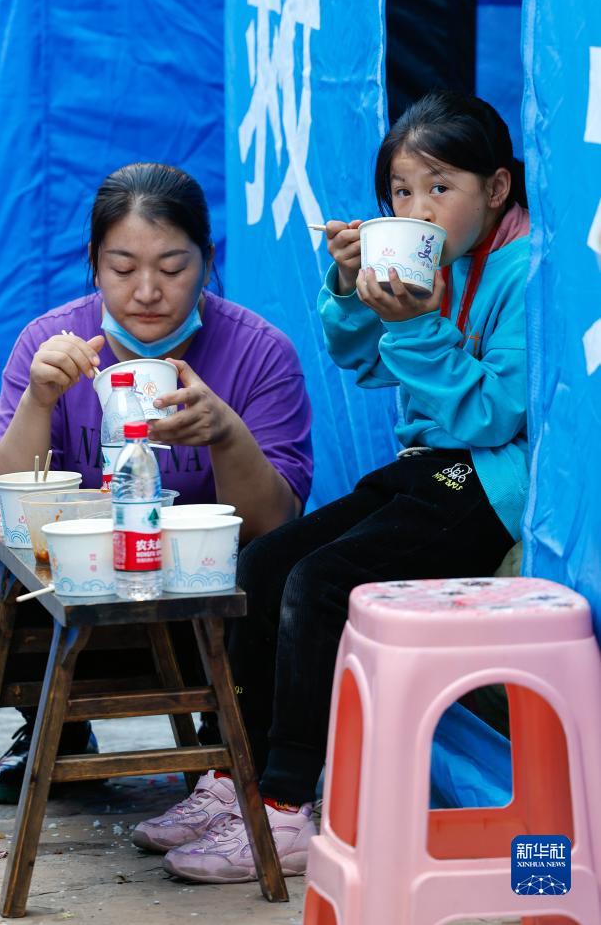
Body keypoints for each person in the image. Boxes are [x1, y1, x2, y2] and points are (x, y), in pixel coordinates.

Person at [134, 91, 530, 883]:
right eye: (400, 193)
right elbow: (369, 362)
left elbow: (492, 414)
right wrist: (351, 288)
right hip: (430, 468)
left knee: (319, 583)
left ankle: (284, 807)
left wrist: (415, 323)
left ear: (496, 189)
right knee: (266, 562)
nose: (417, 209)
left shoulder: (527, 268)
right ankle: (234, 778)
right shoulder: (442, 265)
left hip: (489, 480)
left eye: (438, 187)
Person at [0, 162, 313, 803]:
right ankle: (52, 727)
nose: (147, 291)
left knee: (273, 570)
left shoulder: (259, 353)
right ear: (93, 263)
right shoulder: (52, 344)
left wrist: (225, 434)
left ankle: (224, 736)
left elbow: (276, 527)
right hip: (82, 620)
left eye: (173, 268)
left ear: (206, 260)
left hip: (205, 624)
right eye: (123, 268)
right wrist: (38, 401)